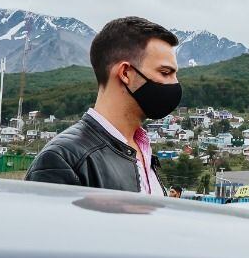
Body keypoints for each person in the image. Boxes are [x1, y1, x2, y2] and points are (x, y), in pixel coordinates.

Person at [26, 17, 181, 193]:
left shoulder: (142, 151)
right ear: (125, 73)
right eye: (165, 72)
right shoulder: (64, 160)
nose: (174, 83)